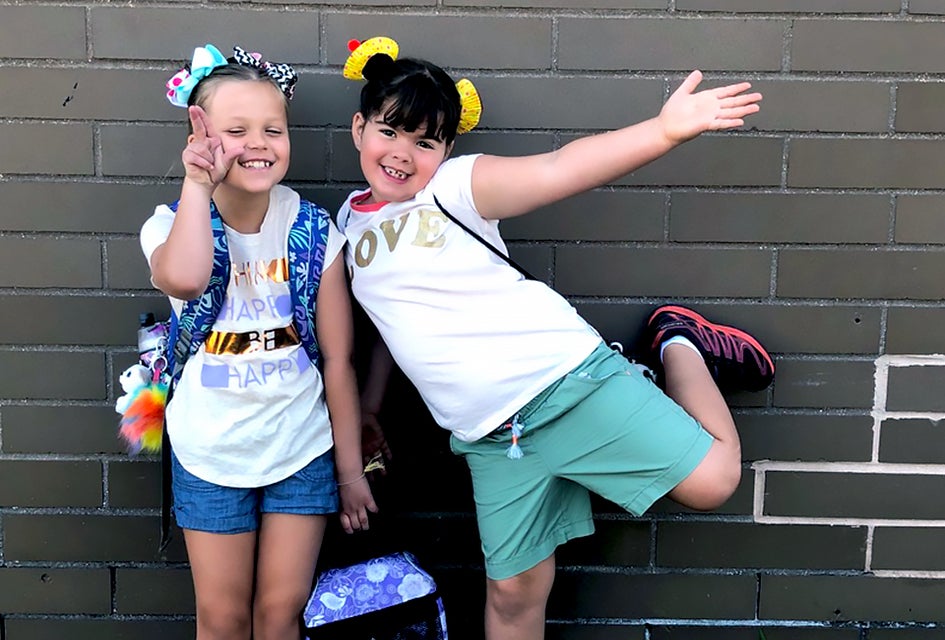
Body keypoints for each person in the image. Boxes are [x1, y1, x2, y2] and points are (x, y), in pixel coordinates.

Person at [336, 36, 774, 640]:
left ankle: (679, 343)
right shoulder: (345, 224)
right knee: (513, 597)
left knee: (715, 480)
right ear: (359, 128)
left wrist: (665, 131)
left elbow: (561, 167)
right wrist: (369, 405)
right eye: (389, 131)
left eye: (425, 141)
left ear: (448, 149)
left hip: (568, 385)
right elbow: (394, 324)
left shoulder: (455, 188)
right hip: (492, 440)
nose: (403, 153)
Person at [140, 44, 376, 640]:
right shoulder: (169, 225)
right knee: (222, 618)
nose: (258, 143)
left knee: (279, 613)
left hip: (300, 450)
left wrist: (350, 470)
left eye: (274, 129)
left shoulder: (312, 229)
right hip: (211, 454)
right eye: (235, 130)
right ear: (200, 134)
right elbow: (186, 277)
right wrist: (198, 184)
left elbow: (338, 360)